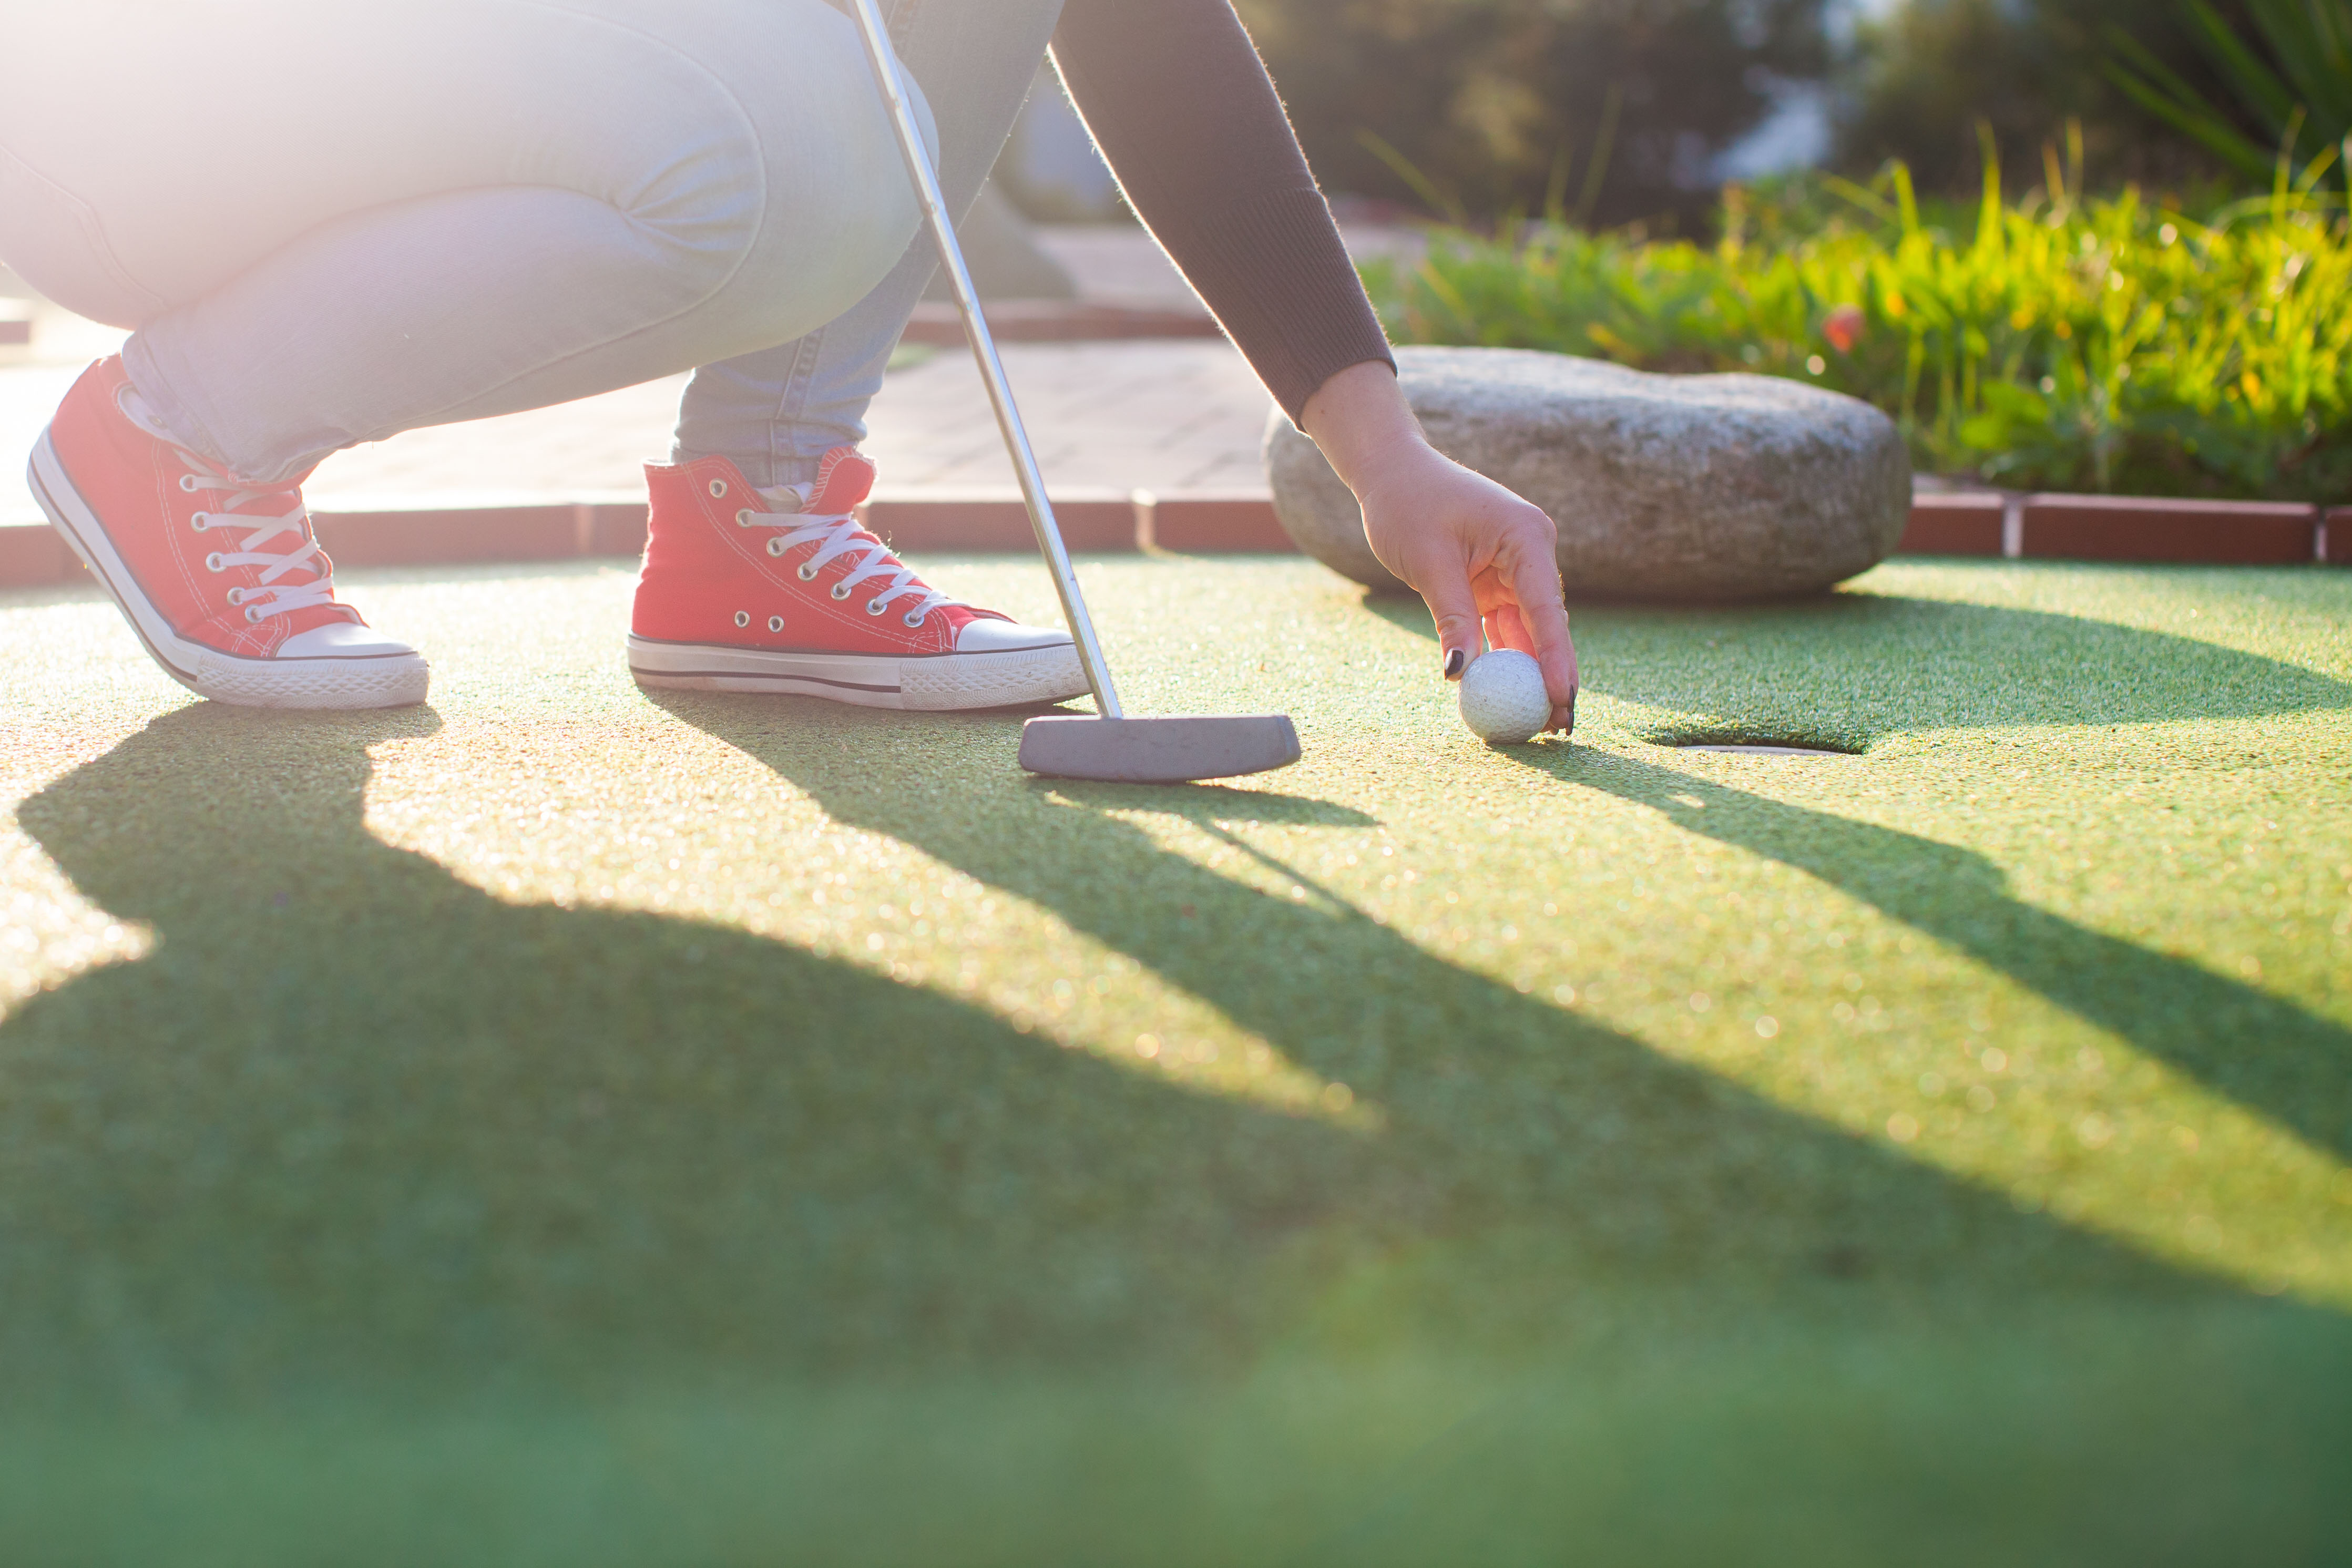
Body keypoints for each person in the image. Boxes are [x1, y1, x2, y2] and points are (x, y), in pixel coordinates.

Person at [3, 0, 1577, 732]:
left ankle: (748, 522)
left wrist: (1382, 453)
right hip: (141, 101)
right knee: (773, 151)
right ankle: (180, 428)